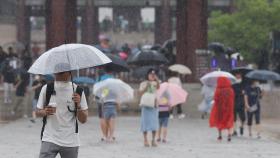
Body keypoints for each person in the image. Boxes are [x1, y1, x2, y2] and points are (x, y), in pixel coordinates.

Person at [36, 70, 88, 158]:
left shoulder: (78, 91)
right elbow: (37, 112)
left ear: (69, 73)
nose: (58, 75)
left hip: (71, 140)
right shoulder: (47, 88)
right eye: (56, 72)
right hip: (50, 138)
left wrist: (78, 105)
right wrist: (45, 112)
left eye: (61, 72)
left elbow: (83, 120)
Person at [139, 69, 160, 147]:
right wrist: (146, 86)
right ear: (147, 75)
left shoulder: (156, 83)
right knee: (145, 123)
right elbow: (140, 93)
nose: (152, 76)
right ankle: (145, 139)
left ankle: (153, 140)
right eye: (150, 74)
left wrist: (157, 79)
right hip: (146, 105)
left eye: (153, 75)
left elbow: (158, 87)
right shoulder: (143, 83)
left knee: (154, 123)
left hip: (154, 105)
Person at [209, 77, 234, 142]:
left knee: (219, 121)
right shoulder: (230, 90)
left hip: (219, 109)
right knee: (229, 120)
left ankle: (220, 136)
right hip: (229, 108)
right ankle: (229, 135)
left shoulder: (218, 90)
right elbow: (233, 99)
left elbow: (215, 99)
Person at [95, 66, 115, 141]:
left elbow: (96, 89)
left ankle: (104, 135)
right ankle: (111, 136)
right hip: (110, 100)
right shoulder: (113, 79)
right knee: (111, 118)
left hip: (101, 100)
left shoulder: (100, 78)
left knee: (102, 118)